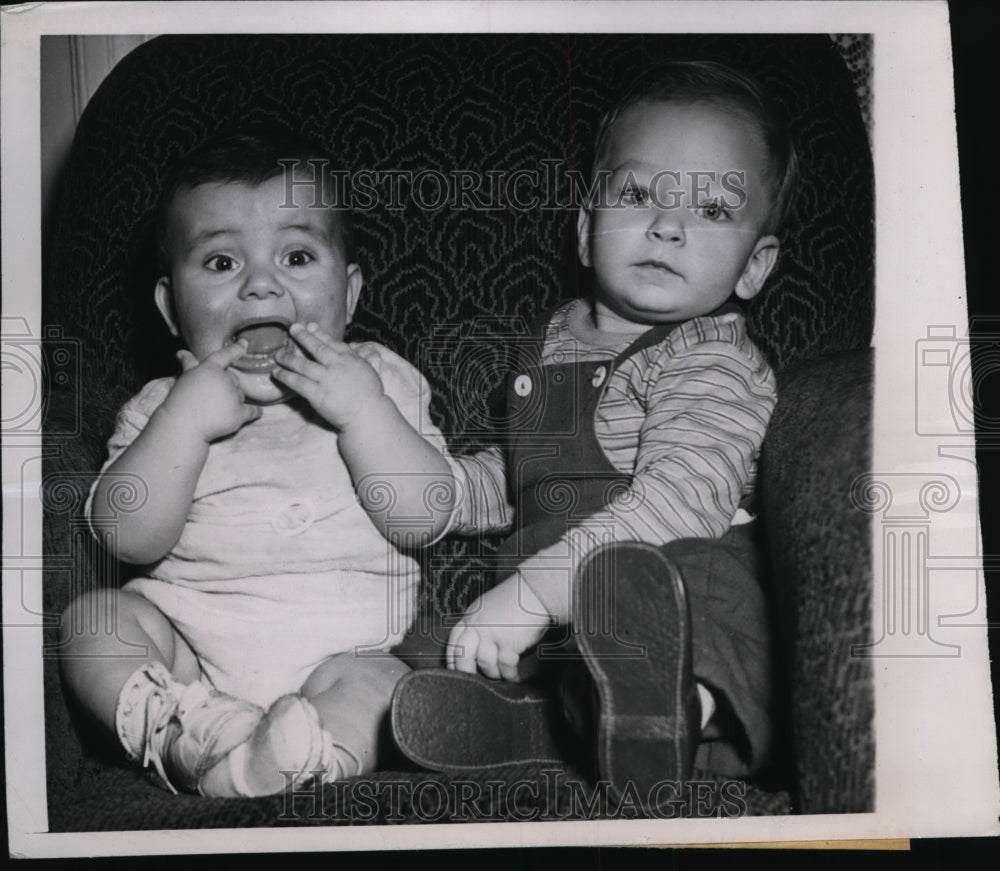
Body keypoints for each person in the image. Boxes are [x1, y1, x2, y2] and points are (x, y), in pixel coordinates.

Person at [390, 60, 799, 807]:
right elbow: (517, 475)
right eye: (638, 194)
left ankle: (675, 712)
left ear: (754, 266)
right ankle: (546, 727)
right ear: (585, 230)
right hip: (550, 621)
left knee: (711, 590)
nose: (667, 225)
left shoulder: (709, 357)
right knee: (423, 648)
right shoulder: (552, 342)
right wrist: (436, 486)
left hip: (665, 589)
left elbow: (683, 500)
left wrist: (535, 592)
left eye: (712, 210)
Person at [58, 127, 456, 798]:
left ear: (350, 293)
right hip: (191, 659)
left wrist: (363, 414)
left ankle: (309, 757)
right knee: (93, 624)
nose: (261, 286)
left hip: (340, 658)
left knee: (387, 686)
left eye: (297, 255)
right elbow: (125, 535)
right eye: (220, 264)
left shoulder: (379, 381)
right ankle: (189, 733)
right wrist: (185, 421)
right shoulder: (161, 406)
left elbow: (425, 517)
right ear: (169, 307)